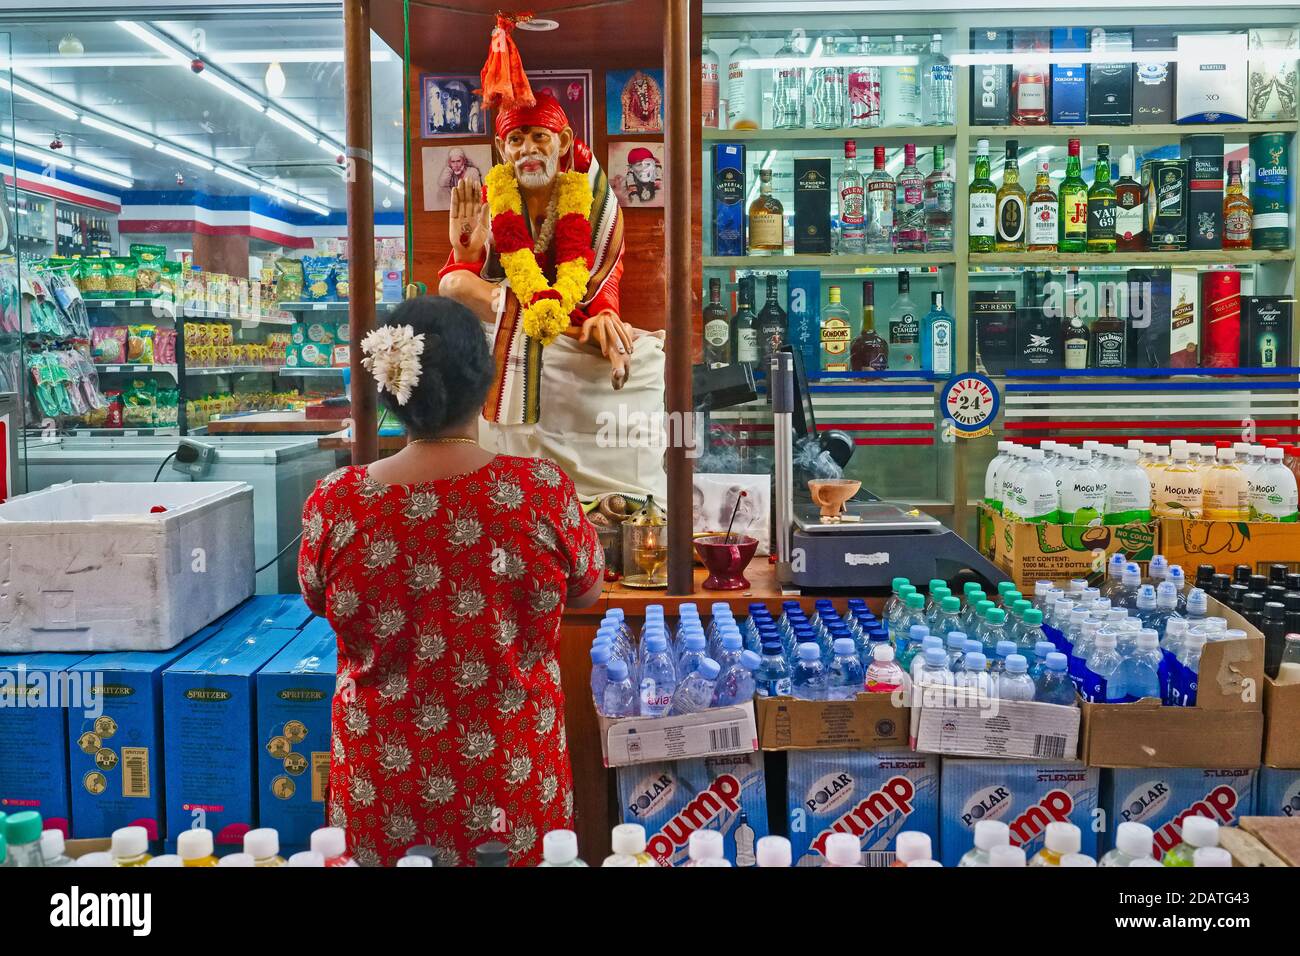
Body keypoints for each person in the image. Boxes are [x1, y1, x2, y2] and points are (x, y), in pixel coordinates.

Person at [297, 296, 605, 867]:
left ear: (389, 389)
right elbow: (589, 590)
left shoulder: (336, 502)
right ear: (487, 384)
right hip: (512, 778)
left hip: (381, 781)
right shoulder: (540, 491)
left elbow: (317, 600)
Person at [439, 83, 667, 503]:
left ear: (562, 141)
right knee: (451, 284)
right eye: (516, 139)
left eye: (539, 137)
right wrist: (464, 250)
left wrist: (602, 313)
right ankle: (522, 316)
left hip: (574, 315)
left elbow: (605, 273)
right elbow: (462, 280)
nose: (528, 149)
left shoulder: (594, 198)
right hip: (509, 313)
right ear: (501, 148)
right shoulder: (493, 200)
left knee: (620, 339)